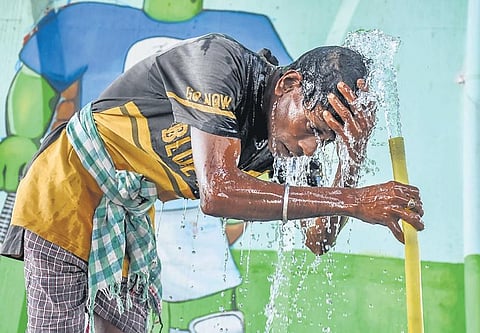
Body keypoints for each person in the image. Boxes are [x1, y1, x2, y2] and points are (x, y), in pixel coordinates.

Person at [1, 33, 424, 332]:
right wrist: (352, 200)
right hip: (67, 182)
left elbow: (318, 237)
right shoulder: (220, 64)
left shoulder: (283, 148)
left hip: (126, 213)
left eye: (327, 140)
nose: (312, 148)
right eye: (313, 128)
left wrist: (351, 158)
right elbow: (218, 192)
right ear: (290, 84)